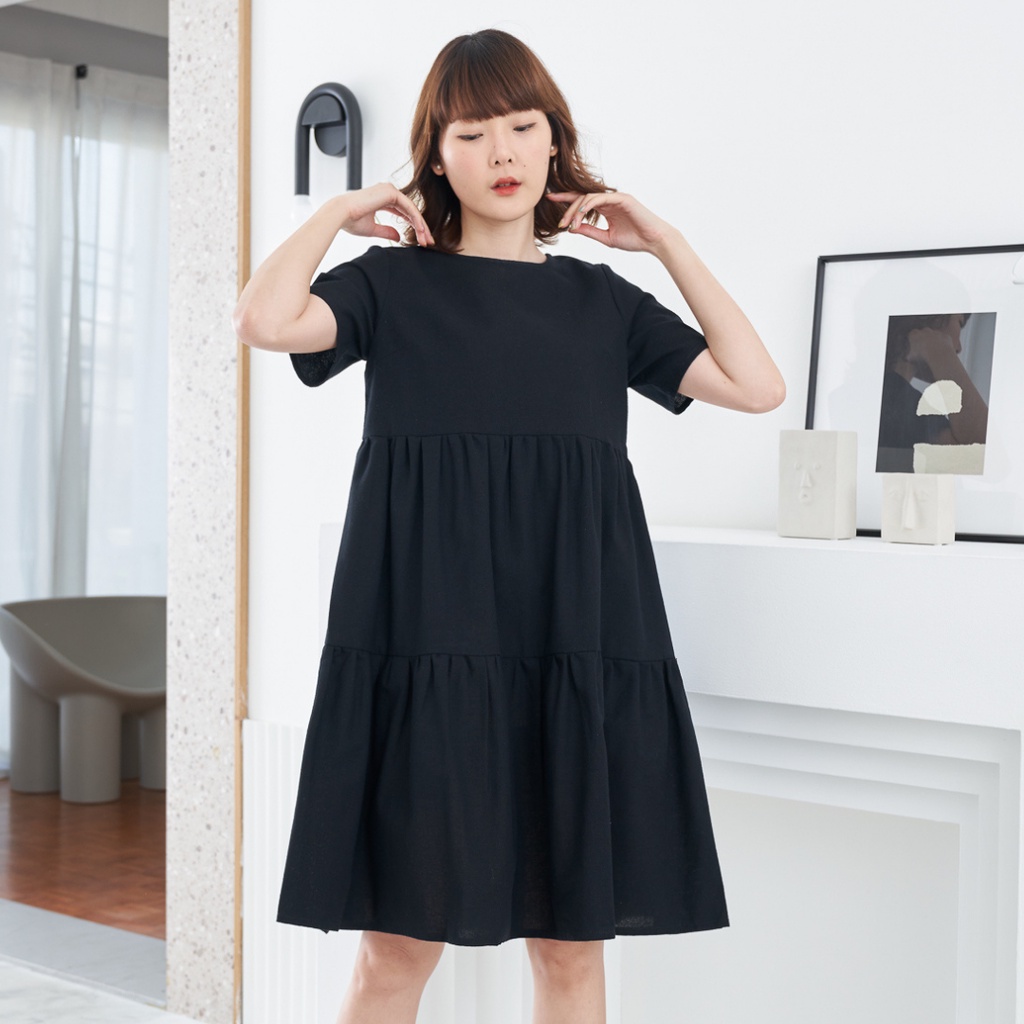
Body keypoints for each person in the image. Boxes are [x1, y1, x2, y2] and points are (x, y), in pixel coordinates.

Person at [233, 28, 784, 1024]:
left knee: (571, 956)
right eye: (472, 133)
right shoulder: (389, 286)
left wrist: (666, 242)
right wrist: (336, 212)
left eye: (524, 127)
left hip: (572, 641)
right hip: (425, 643)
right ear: (437, 158)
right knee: (395, 951)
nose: (502, 152)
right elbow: (265, 321)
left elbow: (756, 385)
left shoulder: (602, 303)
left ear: (554, 140)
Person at [876, 312, 989, 472]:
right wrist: (941, 353)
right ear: (935, 317)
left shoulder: (891, 393)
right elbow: (990, 459)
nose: (958, 347)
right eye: (959, 322)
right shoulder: (900, 400)